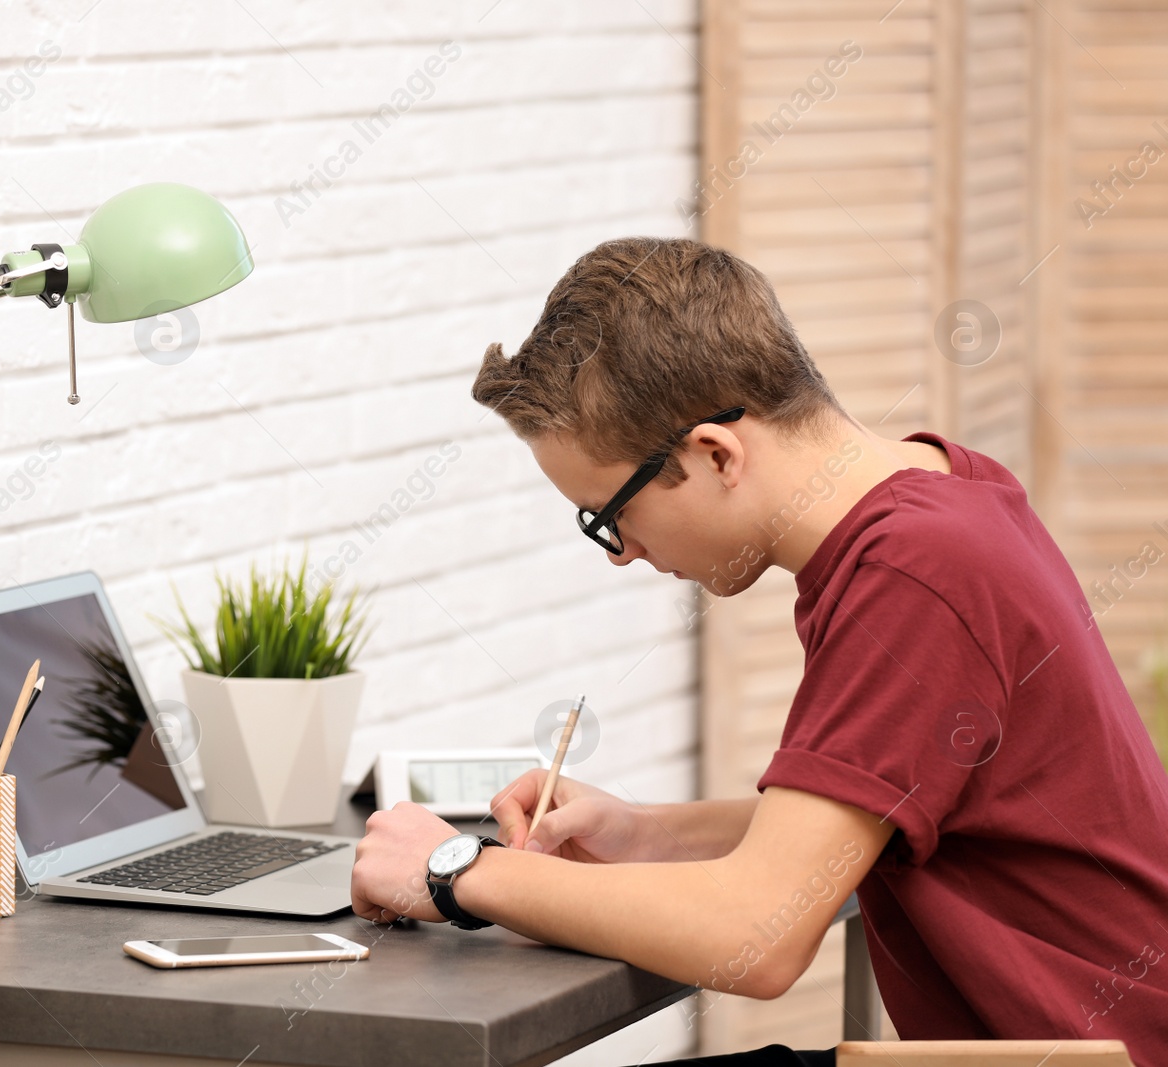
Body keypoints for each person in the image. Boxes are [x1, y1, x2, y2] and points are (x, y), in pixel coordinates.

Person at [348, 237, 1168, 1067]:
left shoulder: (913, 575)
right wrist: (646, 835)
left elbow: (758, 934)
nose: (619, 553)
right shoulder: (947, 492)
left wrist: (455, 868)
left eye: (609, 513)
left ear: (714, 453)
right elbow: (890, 816)